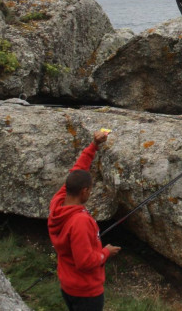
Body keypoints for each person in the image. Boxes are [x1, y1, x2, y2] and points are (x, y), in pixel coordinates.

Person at [48, 129, 120, 311]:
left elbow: (77, 170)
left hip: (68, 284)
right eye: (90, 189)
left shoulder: (59, 201)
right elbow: (85, 262)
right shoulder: (79, 222)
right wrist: (106, 253)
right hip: (86, 292)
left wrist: (94, 146)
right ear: (84, 191)